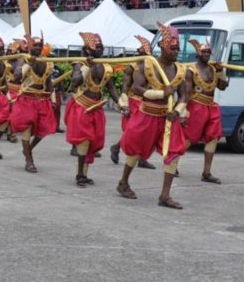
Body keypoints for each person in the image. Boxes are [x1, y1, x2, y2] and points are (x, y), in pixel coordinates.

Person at [117, 22, 187, 209]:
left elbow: (185, 95)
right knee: (135, 150)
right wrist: (161, 94)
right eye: (172, 49)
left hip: (168, 119)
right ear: (162, 47)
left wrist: (178, 111)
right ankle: (123, 182)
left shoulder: (180, 69)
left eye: (177, 49)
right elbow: (138, 88)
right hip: (147, 114)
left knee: (174, 152)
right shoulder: (148, 64)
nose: (176, 52)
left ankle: (165, 195)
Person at [65, 32, 129, 187]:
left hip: (97, 109)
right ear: (87, 49)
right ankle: (80, 175)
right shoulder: (80, 64)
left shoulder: (106, 67)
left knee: (93, 143)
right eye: (95, 47)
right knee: (84, 142)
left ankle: (85, 174)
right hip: (81, 107)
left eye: (101, 47)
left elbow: (111, 88)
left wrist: (121, 104)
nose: (99, 49)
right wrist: (87, 67)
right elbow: (74, 82)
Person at [10, 33, 57, 173]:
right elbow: (16, 77)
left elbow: (49, 83)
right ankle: (29, 161)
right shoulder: (23, 59)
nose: (37, 48)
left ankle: (28, 150)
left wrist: (52, 99)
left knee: (44, 130)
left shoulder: (47, 62)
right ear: (30, 46)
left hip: (42, 100)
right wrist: (28, 65)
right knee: (26, 130)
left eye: (39, 46)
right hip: (26, 99)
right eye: (35, 45)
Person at [184, 39, 229, 184]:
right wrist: (183, 110)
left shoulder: (213, 69)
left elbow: (222, 87)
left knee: (214, 137)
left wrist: (221, 72)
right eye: (204, 51)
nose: (207, 54)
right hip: (196, 106)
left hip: (211, 106)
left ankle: (207, 172)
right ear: (198, 53)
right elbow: (186, 92)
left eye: (208, 52)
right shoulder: (191, 70)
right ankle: (172, 161)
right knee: (190, 138)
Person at [109, 35, 156, 170]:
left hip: (147, 101)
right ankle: (116, 147)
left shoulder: (153, 66)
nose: (147, 52)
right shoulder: (132, 67)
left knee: (146, 132)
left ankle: (142, 159)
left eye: (149, 50)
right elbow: (125, 86)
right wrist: (124, 104)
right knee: (133, 131)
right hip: (134, 101)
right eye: (144, 50)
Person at [5, 39, 27, 143]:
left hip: (19, 90)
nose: (10, 53)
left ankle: (11, 132)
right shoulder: (3, 61)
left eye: (12, 51)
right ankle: (10, 132)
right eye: (8, 51)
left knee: (15, 112)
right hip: (5, 90)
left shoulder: (22, 61)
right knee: (6, 112)